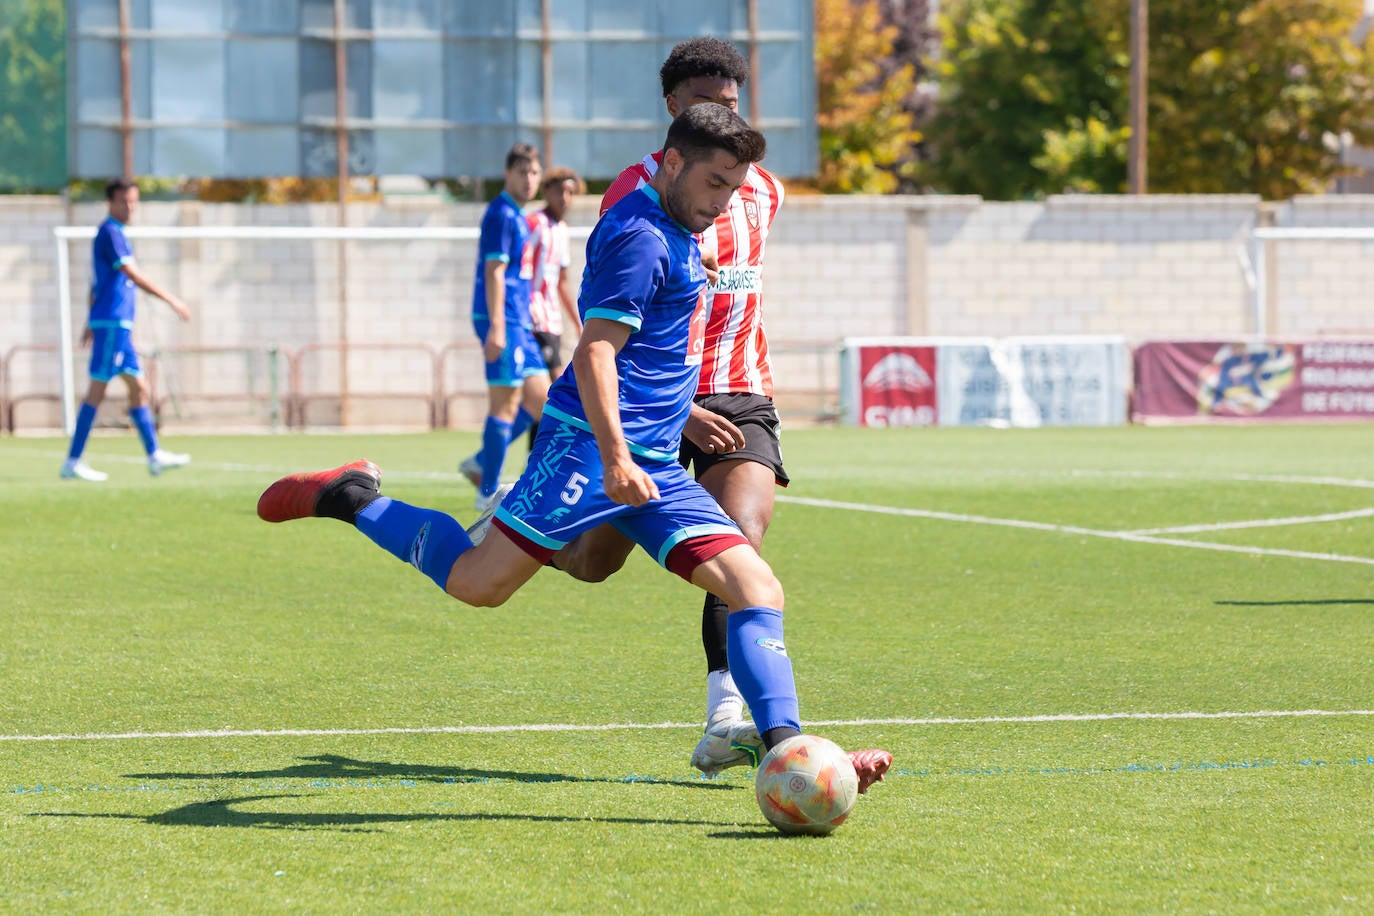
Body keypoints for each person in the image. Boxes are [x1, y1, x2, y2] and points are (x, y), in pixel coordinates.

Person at [258, 104, 891, 796]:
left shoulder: (677, 231)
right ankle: (350, 496)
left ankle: (792, 752)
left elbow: (653, 346)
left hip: (648, 452)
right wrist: (617, 459)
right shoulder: (643, 241)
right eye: (714, 184)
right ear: (672, 162)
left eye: (733, 189)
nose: (723, 203)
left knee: (756, 587)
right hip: (589, 449)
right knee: (478, 585)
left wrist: (682, 413)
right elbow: (594, 354)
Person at [552, 37, 788, 778]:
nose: (720, 110)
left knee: (741, 538)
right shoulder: (631, 193)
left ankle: (728, 717)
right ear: (673, 112)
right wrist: (677, 410)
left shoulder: (768, 191)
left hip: (741, 390)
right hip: (655, 403)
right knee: (591, 565)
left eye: (730, 99)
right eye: (704, 101)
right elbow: (615, 320)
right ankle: (524, 516)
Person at [61, 178, 192, 482]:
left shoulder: (115, 233)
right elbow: (129, 272)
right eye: (124, 201)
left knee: (138, 388)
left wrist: (87, 322)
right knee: (98, 390)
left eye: (134, 201)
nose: (130, 206)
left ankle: (154, 455)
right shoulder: (111, 232)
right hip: (113, 323)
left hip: (115, 324)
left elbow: (97, 284)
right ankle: (72, 461)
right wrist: (171, 299)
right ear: (111, 202)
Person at [462, 143, 550, 511]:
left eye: (533, 173)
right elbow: (494, 271)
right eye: (521, 173)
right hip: (502, 321)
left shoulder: (517, 216)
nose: (528, 180)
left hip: (517, 321)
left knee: (543, 400)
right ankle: (488, 491)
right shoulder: (500, 214)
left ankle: (482, 461)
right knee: (505, 402)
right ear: (508, 175)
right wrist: (497, 325)